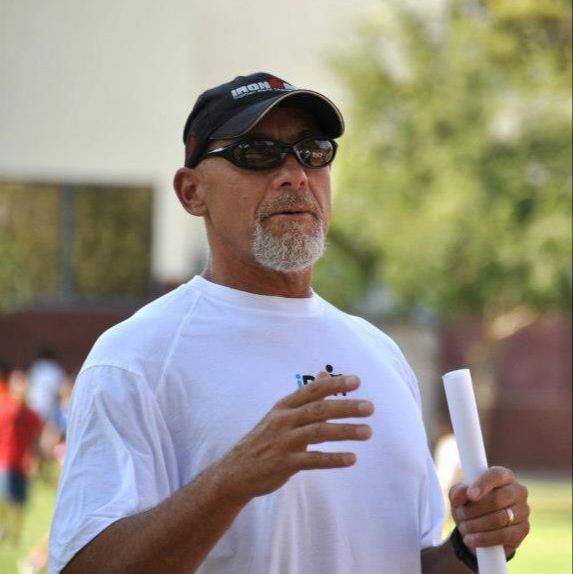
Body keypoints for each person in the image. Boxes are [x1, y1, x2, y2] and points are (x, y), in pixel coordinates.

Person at [49, 72, 530, 574]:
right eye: (257, 153)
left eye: (313, 151)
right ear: (192, 192)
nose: (295, 175)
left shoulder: (380, 354)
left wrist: (469, 548)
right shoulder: (135, 360)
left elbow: (405, 562)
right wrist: (232, 480)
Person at [0, 370, 42, 546]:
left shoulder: (31, 414)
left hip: (23, 464)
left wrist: (35, 460)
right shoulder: (4, 410)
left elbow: (36, 438)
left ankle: (15, 535)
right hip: (5, 461)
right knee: (3, 498)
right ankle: (3, 528)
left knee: (20, 502)